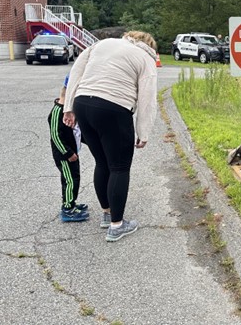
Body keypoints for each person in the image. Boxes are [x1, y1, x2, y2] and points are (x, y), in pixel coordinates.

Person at [62, 31, 158, 242]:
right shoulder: (146, 58)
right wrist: (143, 131)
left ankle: (107, 213)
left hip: (83, 103)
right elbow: (147, 98)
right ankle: (117, 225)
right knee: (119, 167)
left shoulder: (102, 44)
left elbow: (77, 70)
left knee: (102, 162)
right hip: (113, 108)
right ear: (150, 46)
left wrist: (69, 107)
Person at [48, 76, 88, 222]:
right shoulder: (57, 112)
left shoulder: (70, 111)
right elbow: (55, 136)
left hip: (73, 153)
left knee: (75, 178)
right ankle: (68, 209)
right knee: (69, 180)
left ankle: (72, 202)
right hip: (65, 155)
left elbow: (77, 131)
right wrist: (67, 152)